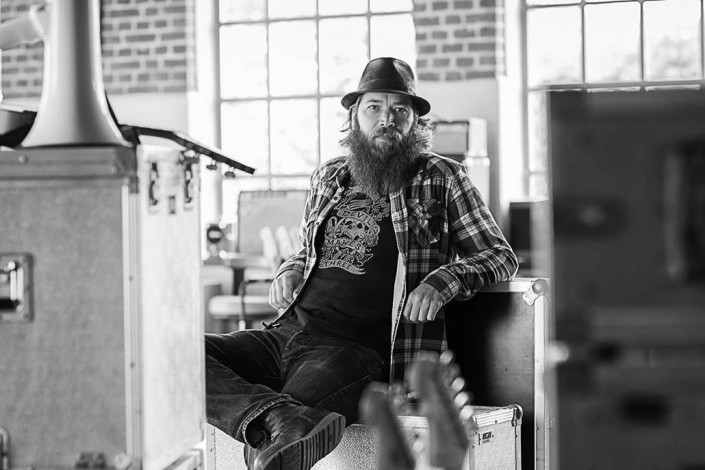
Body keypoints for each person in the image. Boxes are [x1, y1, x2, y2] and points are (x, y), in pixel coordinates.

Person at [205, 57, 518, 470]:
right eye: (374, 107)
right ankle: (278, 414)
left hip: (353, 350)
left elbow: (499, 255)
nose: (387, 119)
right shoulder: (328, 176)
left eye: (400, 110)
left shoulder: (443, 177)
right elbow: (308, 252)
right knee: (180, 357)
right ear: (354, 116)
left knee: (284, 443)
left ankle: (281, 418)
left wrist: (443, 280)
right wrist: (290, 269)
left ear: (415, 122)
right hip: (285, 334)